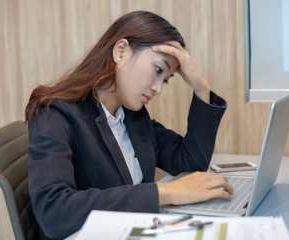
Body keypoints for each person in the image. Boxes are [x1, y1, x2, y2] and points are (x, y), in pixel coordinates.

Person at [25, 10, 233, 240]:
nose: (158, 88)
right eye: (157, 70)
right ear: (121, 51)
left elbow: (191, 162)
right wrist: (163, 192)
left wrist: (201, 89)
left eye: (165, 80)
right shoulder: (54, 113)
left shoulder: (132, 117)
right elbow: (55, 212)